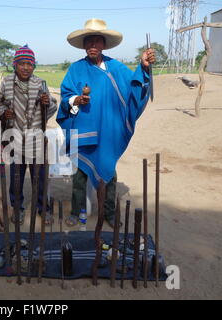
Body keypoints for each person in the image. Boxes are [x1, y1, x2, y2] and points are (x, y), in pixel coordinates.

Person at [56, 19, 155, 228]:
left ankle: (109, 213)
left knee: (108, 173)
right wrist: (76, 99)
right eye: (89, 42)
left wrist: (144, 67)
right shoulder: (75, 69)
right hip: (82, 132)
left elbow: (134, 88)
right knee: (80, 175)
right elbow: (66, 96)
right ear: (84, 45)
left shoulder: (117, 68)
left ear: (103, 44)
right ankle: (77, 211)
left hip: (108, 132)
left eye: (97, 41)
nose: (93, 45)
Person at [0, 45, 58, 225]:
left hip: (36, 137)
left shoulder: (40, 83)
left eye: (29, 64)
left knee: (39, 177)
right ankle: (17, 208)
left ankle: (43, 209)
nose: (25, 67)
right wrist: (4, 113)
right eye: (21, 63)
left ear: (33, 66)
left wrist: (47, 103)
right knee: (16, 177)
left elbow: (53, 106)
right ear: (15, 65)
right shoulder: (7, 82)